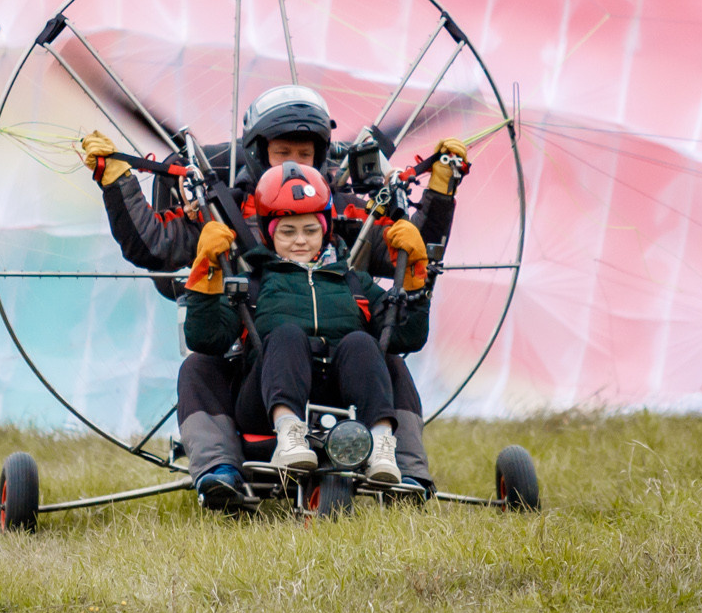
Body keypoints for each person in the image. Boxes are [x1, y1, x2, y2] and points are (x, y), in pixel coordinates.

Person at [75, 84, 467, 508]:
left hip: (345, 369)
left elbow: (410, 260)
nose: (295, 167)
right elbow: (151, 246)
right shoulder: (218, 213)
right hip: (259, 370)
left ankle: (404, 469)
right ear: (259, 154)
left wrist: (440, 195)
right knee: (204, 366)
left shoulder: (344, 212)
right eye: (284, 154)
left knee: (385, 356)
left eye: (305, 155)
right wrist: (118, 183)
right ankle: (220, 470)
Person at [181, 162, 431, 488]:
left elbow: (407, 336)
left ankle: (383, 447)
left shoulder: (355, 284)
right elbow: (205, 339)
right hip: (265, 404)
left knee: (366, 345)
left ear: (324, 230)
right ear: (270, 235)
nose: (300, 241)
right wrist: (206, 275)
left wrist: (414, 282)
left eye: (310, 230)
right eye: (288, 231)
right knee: (280, 337)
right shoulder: (251, 285)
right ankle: (281, 438)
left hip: (345, 403)